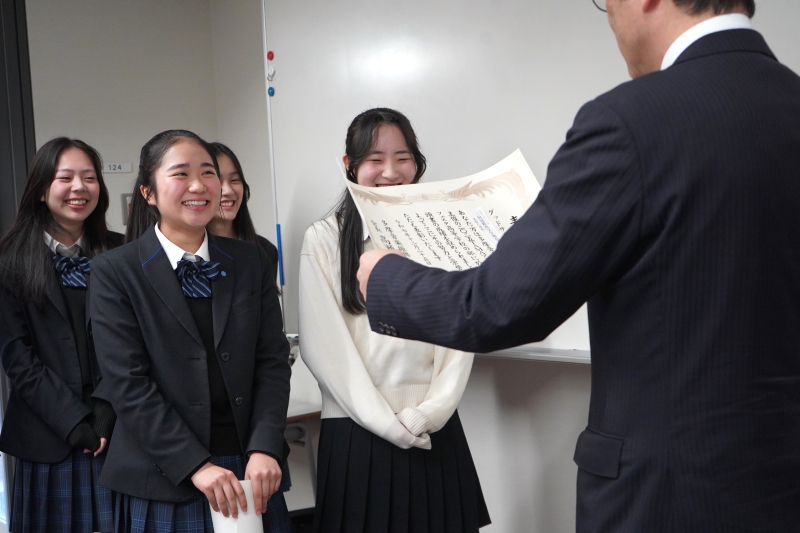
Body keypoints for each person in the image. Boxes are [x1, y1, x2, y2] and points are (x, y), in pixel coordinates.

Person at [357, 1, 800, 532]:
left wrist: (385, 278)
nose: (609, 15)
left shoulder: (630, 121)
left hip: (662, 498)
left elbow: (496, 307)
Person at [89, 129, 292, 533]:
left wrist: (266, 447)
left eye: (208, 172)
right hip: (167, 472)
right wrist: (195, 465)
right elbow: (128, 384)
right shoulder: (115, 270)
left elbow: (272, 361)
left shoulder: (250, 259)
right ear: (148, 192)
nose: (199, 186)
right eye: (181, 173)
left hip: (249, 466)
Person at [300, 108, 490, 533]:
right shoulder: (324, 239)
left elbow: (460, 332)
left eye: (402, 158)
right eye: (375, 159)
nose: (390, 172)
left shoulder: (443, 230)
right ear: (349, 165)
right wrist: (386, 423)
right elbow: (324, 348)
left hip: (433, 426)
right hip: (355, 428)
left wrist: (428, 413)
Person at [0, 137, 124, 533]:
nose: (79, 188)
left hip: (118, 433)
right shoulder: (9, 260)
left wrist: (106, 412)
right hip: (47, 435)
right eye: (65, 178)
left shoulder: (121, 253)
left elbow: (133, 345)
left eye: (89, 178)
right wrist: (73, 422)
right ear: (41, 189)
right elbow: (17, 357)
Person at [206, 142, 279, 274]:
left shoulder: (265, 250)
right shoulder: (189, 252)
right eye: (218, 181)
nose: (228, 190)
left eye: (234, 180)